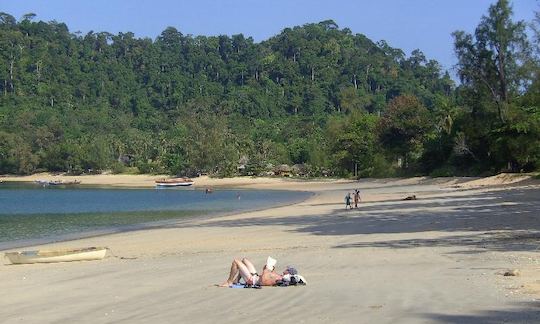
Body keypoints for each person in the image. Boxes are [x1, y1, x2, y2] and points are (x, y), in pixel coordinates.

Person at [219, 258, 283, 287]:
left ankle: (229, 282)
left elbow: (264, 280)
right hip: (255, 276)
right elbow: (269, 275)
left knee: (235, 261)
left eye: (287, 271)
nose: (285, 271)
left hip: (251, 280)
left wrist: (265, 269)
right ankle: (236, 280)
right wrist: (271, 268)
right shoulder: (279, 276)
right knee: (244, 260)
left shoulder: (278, 279)